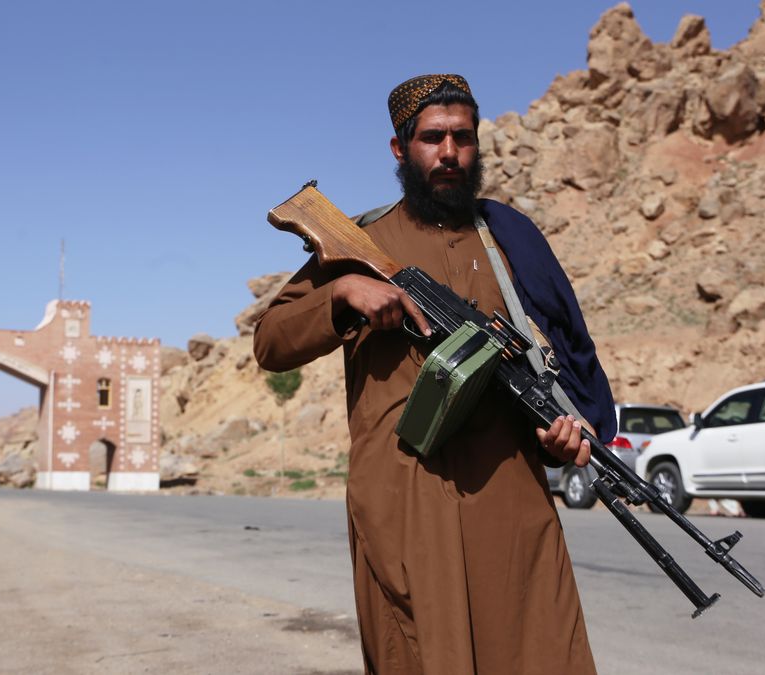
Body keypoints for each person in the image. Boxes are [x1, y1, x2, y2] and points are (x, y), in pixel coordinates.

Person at [254, 74, 615, 674]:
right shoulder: (360, 241)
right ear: (400, 148)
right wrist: (343, 292)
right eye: (432, 138)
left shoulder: (508, 245)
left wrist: (561, 437)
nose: (449, 153)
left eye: (462, 138)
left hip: (510, 506)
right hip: (407, 507)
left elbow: (562, 365)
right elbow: (270, 342)